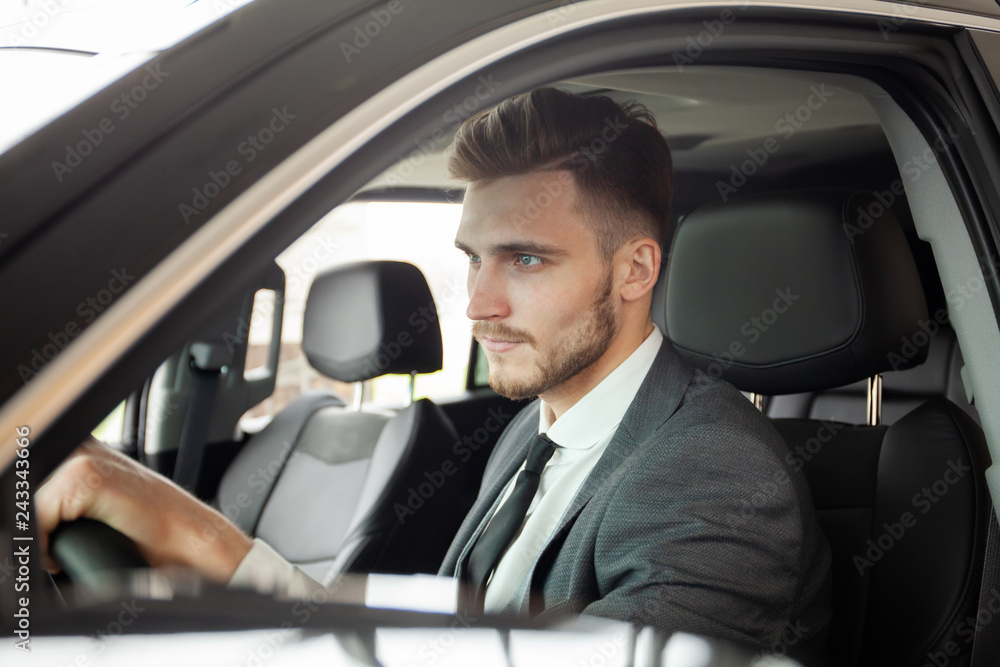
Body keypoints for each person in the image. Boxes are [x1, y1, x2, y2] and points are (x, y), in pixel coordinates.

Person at [36, 87, 832, 660]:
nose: (478, 303)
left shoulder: (715, 473)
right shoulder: (535, 426)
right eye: (473, 259)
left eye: (525, 257)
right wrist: (165, 514)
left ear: (634, 270)